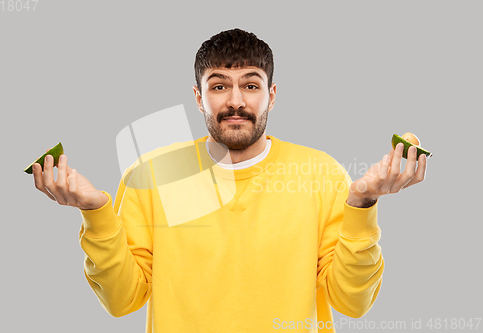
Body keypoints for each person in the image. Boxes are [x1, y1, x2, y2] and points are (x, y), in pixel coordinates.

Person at [32, 28, 427, 332]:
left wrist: (361, 202)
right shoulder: (151, 175)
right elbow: (122, 300)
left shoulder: (321, 174)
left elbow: (352, 302)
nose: (235, 100)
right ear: (199, 96)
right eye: (219, 86)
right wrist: (96, 211)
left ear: (271, 95)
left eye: (250, 85)